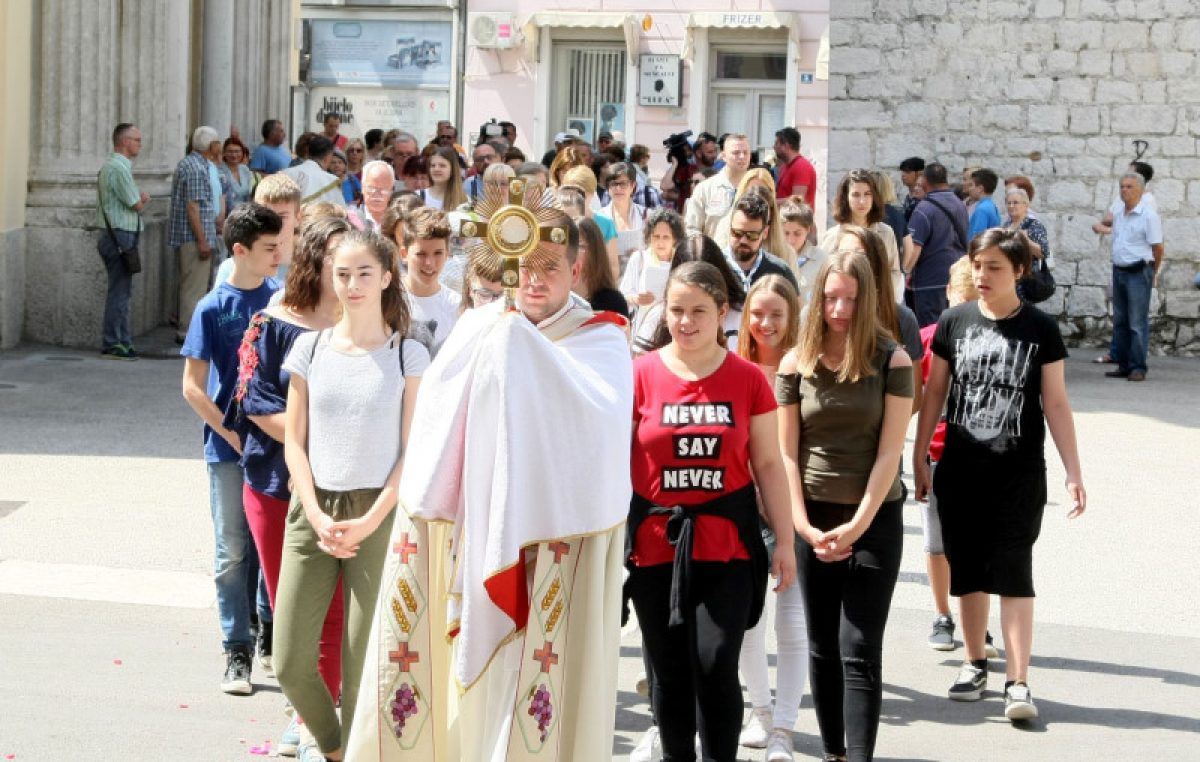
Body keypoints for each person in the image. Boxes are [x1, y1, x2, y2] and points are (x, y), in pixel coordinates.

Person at [344, 212, 633, 762]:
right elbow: (434, 426)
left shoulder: (602, 341)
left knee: (531, 692)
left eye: (550, 267)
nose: (534, 280)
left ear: (577, 268)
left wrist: (517, 349)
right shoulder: (481, 327)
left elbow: (598, 434)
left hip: (551, 549)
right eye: (523, 267)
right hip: (468, 537)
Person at [914, 227, 1086, 723]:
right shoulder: (954, 321)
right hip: (960, 471)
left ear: (1018, 272)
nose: (982, 275)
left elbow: (1055, 402)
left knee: (1014, 572)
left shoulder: (1040, 329)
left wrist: (1074, 469)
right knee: (966, 571)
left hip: (1018, 473)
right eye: (978, 264)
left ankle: (1018, 679)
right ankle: (973, 663)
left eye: (994, 267)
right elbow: (934, 395)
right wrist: (920, 455)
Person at [627, 260, 797, 762]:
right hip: (658, 546)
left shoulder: (748, 381)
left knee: (715, 661)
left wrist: (784, 542)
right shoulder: (639, 375)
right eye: (676, 310)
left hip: (728, 545)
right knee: (670, 670)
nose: (686, 321)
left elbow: (768, 463)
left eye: (699, 311)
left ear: (723, 312)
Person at [276, 229, 428, 762]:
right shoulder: (308, 347)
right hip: (312, 509)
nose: (353, 284)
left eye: (365, 273)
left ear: (387, 277)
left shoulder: (408, 353)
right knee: (289, 661)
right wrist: (315, 513)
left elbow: (412, 453)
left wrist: (367, 522)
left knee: (365, 661)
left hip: (378, 513)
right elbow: (295, 442)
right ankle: (335, 746)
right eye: (343, 274)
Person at [777, 249, 913, 762]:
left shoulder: (892, 359)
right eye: (830, 298)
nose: (838, 309)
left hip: (872, 517)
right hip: (811, 516)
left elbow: (889, 453)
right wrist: (804, 527)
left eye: (850, 300)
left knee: (858, 648)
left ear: (868, 300)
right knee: (821, 645)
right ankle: (832, 751)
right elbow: (787, 453)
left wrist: (857, 524)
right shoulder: (796, 362)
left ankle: (859, 756)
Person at [225, 215, 352, 755]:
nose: (349, 276)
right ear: (315, 261)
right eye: (338, 264)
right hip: (279, 486)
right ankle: (305, 714)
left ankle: (323, 716)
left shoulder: (366, 322)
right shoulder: (273, 322)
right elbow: (255, 405)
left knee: (340, 610)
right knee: (295, 607)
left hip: (352, 488)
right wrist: (317, 443)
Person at [180, 203, 284, 696]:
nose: (278, 255)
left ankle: (268, 634)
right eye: (269, 248)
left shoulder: (280, 301)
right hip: (227, 451)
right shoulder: (212, 307)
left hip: (273, 450)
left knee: (268, 548)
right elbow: (192, 387)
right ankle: (235, 648)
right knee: (232, 550)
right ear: (240, 250)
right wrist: (230, 433)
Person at [733, 275, 809, 761]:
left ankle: (785, 725)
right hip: (743, 506)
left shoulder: (804, 366)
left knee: (792, 622)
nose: (765, 323)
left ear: (793, 316)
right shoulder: (732, 365)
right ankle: (759, 712)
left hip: (795, 506)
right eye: (757, 313)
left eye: (776, 314)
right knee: (748, 623)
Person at [916, 255, 979, 653]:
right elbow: (915, 399)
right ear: (948, 295)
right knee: (937, 543)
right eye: (961, 302)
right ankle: (943, 613)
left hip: (980, 455)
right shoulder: (927, 339)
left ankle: (977, 618)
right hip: (938, 452)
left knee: (974, 545)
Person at [1098, 172, 1163, 382]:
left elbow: (1158, 247)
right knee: (1120, 321)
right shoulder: (1118, 213)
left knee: (1136, 323)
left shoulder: (1149, 216)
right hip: (1119, 270)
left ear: (1141, 190)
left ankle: (1137, 367)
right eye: (1122, 187)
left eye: (1129, 187)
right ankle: (1124, 365)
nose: (1124, 190)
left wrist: (1154, 271)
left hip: (1138, 271)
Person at [96, 122, 150, 360]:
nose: (139, 144)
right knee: (120, 292)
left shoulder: (115, 166)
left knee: (121, 291)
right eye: (137, 140)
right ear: (125, 141)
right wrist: (143, 198)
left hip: (118, 234)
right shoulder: (118, 168)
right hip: (119, 235)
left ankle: (122, 340)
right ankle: (114, 342)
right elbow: (135, 204)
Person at [169, 126, 223, 344]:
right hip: (193, 238)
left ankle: (191, 331)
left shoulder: (195, 164)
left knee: (196, 286)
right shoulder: (194, 167)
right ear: (211, 146)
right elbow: (193, 207)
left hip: (195, 236)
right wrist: (202, 240)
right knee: (194, 287)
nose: (220, 146)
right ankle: (187, 333)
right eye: (218, 142)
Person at [819, 169, 904, 302]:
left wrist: (880, 296)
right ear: (846, 198)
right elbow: (823, 274)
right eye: (856, 195)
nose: (862, 201)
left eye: (867, 194)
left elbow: (894, 271)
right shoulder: (833, 236)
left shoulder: (886, 233)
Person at [213, 174, 303, 293]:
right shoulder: (233, 268)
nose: (273, 222)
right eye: (266, 215)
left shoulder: (310, 268)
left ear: (298, 217)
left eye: (282, 216)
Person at [904, 163, 969, 327]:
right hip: (956, 278)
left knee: (931, 333)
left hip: (929, 282)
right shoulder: (960, 204)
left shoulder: (923, 209)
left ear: (925, 181)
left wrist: (904, 272)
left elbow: (914, 249)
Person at [399, 207, 461, 358]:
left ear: (447, 253)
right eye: (421, 254)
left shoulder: (456, 306)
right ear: (404, 254)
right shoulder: (388, 300)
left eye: (438, 253)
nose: (429, 263)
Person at [621, 208, 684, 342]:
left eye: (666, 237)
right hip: (644, 328)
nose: (660, 242)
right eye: (656, 236)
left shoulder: (681, 260)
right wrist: (636, 299)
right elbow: (624, 294)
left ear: (675, 239)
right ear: (649, 236)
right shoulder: (639, 259)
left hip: (673, 329)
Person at [723, 193, 799, 293]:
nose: (743, 240)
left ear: (765, 233)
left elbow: (795, 306)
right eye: (737, 233)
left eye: (752, 235)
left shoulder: (780, 272)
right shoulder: (713, 268)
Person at [686, 133, 752, 247]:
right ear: (723, 156)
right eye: (736, 152)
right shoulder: (705, 189)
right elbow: (692, 230)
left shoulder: (757, 189)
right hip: (713, 261)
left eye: (746, 152)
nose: (742, 156)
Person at [1004, 188, 1054, 303]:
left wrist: (1026, 240)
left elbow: (1043, 252)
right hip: (1008, 278)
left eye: (1015, 202)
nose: (1011, 206)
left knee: (1023, 312)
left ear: (1026, 205)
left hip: (1025, 280)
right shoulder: (1007, 225)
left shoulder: (1033, 225)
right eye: (1009, 203)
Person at [574, 217, 630, 318]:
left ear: (595, 251)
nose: (572, 252)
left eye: (580, 246)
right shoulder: (559, 298)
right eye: (569, 246)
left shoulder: (614, 302)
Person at [599, 161, 648, 269]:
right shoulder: (600, 217)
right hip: (610, 276)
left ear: (633, 185)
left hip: (639, 274)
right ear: (607, 187)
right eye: (613, 184)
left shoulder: (646, 215)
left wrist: (640, 255)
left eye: (623, 184)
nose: (618, 188)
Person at [779, 198, 826, 304]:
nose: (791, 240)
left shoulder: (822, 259)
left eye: (797, 233)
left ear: (808, 230)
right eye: (786, 233)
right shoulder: (774, 256)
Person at [283, 136, 346, 207]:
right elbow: (341, 211)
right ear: (328, 156)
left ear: (308, 154)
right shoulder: (331, 180)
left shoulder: (285, 173)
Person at [773, 127, 817, 208]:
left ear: (786, 146)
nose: (774, 147)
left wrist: (770, 203)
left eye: (776, 143)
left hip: (798, 220)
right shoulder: (785, 167)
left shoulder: (801, 166)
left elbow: (798, 201)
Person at [417, 147, 467, 211]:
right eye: (433, 165)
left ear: (453, 170)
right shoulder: (418, 196)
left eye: (442, 165)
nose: (436, 169)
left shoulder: (463, 200)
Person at [356, 161, 396, 233]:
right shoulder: (351, 221)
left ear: (391, 191)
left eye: (384, 189)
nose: (377, 194)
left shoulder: (398, 223)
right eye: (371, 188)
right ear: (362, 188)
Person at [966, 169, 1002, 241]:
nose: (969, 189)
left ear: (980, 188)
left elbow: (975, 239)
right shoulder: (991, 206)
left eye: (971, 185)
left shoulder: (982, 209)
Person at [221, 136, 254, 208]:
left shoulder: (245, 169)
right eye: (230, 151)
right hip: (227, 214)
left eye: (237, 151)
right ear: (224, 153)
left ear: (242, 152)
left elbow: (250, 193)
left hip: (245, 212)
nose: (234, 155)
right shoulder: (220, 171)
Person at [898, 156, 925, 223]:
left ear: (919, 173)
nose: (903, 175)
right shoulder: (908, 197)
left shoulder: (923, 197)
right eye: (903, 171)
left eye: (908, 172)